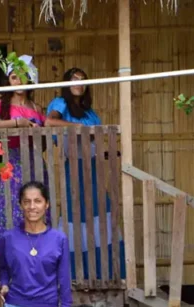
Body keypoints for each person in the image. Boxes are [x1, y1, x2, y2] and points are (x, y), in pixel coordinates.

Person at [44, 67, 124, 281]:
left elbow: (95, 137)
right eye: (74, 79)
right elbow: (50, 122)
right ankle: (73, 273)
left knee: (100, 209)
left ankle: (103, 270)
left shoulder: (90, 111)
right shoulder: (60, 103)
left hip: (93, 164)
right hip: (74, 164)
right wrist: (77, 126)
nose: (79, 83)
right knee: (75, 210)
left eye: (82, 80)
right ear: (67, 83)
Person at [0, 55, 47, 256]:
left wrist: (36, 132)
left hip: (34, 161)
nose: (19, 82)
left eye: (24, 77)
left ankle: (35, 255)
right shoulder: (1, 101)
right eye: (15, 77)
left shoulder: (36, 108)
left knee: (36, 205)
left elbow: (42, 144)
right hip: (12, 160)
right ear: (9, 79)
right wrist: (18, 124)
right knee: (11, 206)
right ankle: (10, 258)